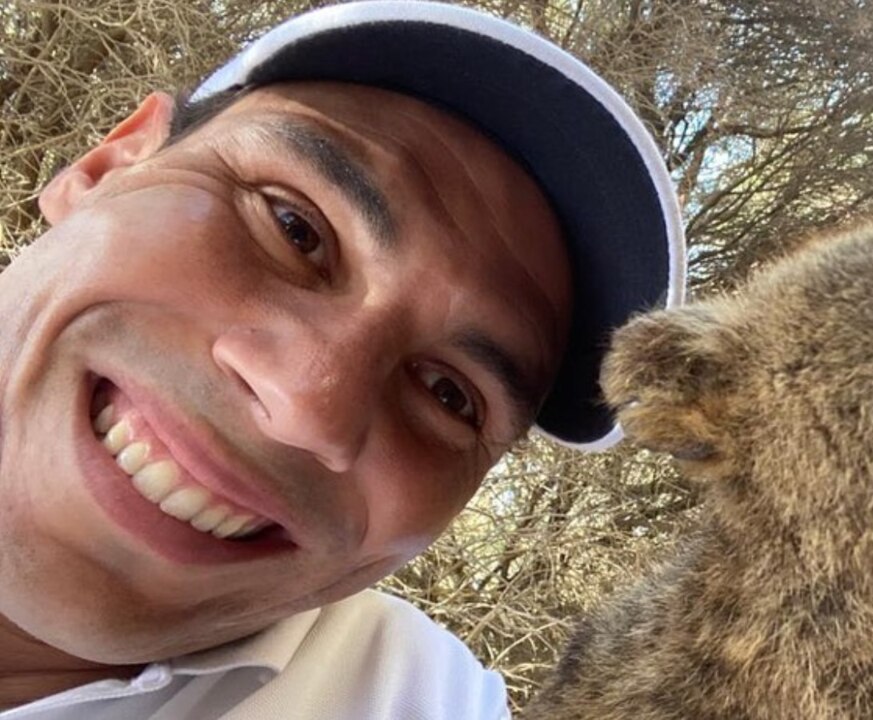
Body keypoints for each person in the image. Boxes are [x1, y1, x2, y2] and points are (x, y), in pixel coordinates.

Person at [0, 1, 685, 718]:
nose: (305, 407)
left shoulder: (412, 699)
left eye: (450, 394)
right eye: (295, 227)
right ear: (105, 165)